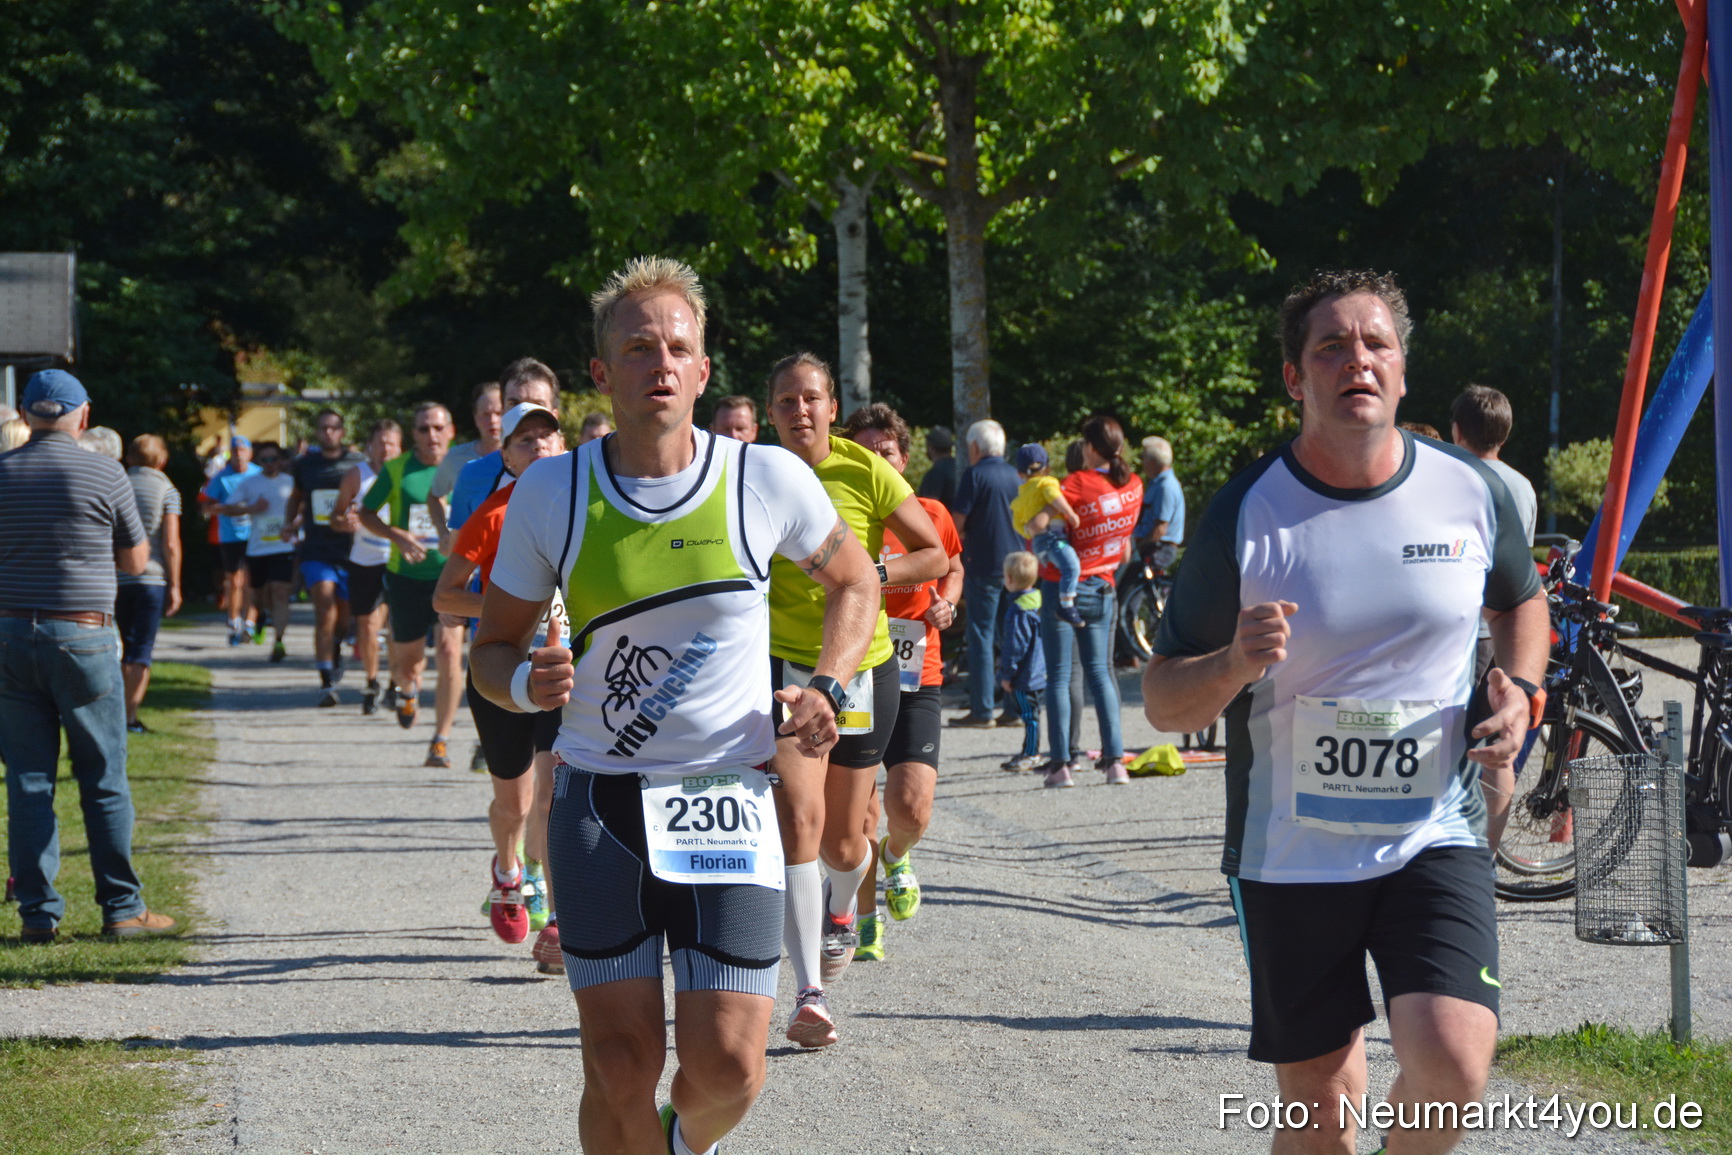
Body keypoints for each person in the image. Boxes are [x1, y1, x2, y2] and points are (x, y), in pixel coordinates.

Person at [472, 256, 878, 1155]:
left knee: (731, 1065)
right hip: (599, 805)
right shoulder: (553, 491)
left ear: (702, 370)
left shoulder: (763, 479)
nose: (660, 361)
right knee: (616, 1062)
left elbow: (857, 582)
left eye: (679, 346)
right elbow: (490, 650)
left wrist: (828, 685)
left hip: (727, 800)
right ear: (601, 372)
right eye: (638, 346)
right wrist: (518, 685)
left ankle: (677, 1142)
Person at [1144, 270, 1549, 1154]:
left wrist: (1521, 689)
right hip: (1292, 850)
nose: (1354, 361)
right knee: (1323, 1106)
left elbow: (1522, 599)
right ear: (1296, 378)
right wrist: (1234, 660)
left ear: (1403, 372)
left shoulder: (1466, 490)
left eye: (1375, 345)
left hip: (1434, 829)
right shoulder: (1247, 514)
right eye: (1330, 346)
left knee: (1453, 1060)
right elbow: (1164, 700)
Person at [765, 353, 944, 1045]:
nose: (799, 410)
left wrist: (873, 570)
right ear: (772, 409)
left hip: (863, 671)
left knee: (845, 841)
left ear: (832, 407)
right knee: (798, 823)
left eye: (811, 398)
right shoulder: (753, 473)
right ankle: (808, 990)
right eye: (786, 400)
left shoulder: (865, 468)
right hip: (785, 665)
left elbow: (932, 552)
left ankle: (843, 909)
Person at [0, 369, 175, 940]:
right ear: (83, 414)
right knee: (102, 775)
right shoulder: (106, 471)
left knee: (28, 780)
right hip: (83, 634)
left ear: (25, 414)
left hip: (8, 636)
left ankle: (37, 915)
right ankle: (123, 910)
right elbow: (133, 563)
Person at [434, 402, 567, 960]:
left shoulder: (582, 504)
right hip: (503, 670)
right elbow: (444, 596)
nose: (538, 447)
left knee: (559, 797)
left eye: (546, 438)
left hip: (564, 671)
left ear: (561, 448)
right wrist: (508, 606)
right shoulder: (491, 514)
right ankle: (507, 870)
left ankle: (561, 918)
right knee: (514, 802)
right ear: (505, 454)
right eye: (525, 441)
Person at [842, 402, 963, 962]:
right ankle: (866, 920)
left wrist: (948, 607)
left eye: (885, 451)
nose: (876, 460)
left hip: (918, 672)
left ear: (904, 458)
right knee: (858, 807)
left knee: (912, 807)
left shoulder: (930, 513)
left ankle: (897, 854)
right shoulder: (837, 515)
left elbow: (952, 566)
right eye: (865, 450)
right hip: (858, 674)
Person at [1037, 415, 1141, 787]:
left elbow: (1038, 524)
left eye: (1083, 442)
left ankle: (1061, 764)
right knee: (1101, 673)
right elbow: (1126, 549)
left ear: (1091, 447)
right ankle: (1115, 762)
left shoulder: (1076, 483)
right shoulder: (1134, 484)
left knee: (1060, 675)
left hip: (1061, 588)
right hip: (1104, 586)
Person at [359, 401, 461, 767]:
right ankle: (407, 691)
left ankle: (441, 740)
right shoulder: (397, 469)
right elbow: (365, 512)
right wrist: (396, 535)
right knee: (408, 664)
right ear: (413, 433)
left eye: (438, 427)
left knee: (450, 652)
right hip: (406, 578)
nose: (431, 435)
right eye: (422, 428)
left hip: (452, 577)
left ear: (450, 430)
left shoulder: (468, 468)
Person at [1450, 384, 1539, 696]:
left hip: (1453, 624)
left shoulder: (1447, 479)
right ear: (1505, 434)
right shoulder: (1523, 487)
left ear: (1457, 431)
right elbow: (1521, 567)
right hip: (1501, 628)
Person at [288, 409, 365, 705]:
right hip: (317, 549)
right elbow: (296, 497)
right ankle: (325, 683)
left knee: (343, 616)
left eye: (334, 428)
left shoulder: (356, 464)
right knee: (324, 605)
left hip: (351, 550)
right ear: (317, 432)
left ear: (342, 432)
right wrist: (289, 522)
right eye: (323, 428)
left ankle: (335, 647)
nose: (329, 433)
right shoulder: (305, 464)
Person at [950, 418, 1021, 728]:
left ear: (975, 447)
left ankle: (982, 710)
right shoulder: (1017, 475)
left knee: (981, 636)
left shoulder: (974, 474)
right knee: (1014, 638)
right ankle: (1016, 709)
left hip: (984, 565)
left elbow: (957, 524)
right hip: (1017, 566)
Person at [330, 419, 402, 715]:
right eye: (381, 442)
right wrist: (343, 522)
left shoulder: (407, 476)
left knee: (399, 626)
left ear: (400, 447)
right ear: (370, 446)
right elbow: (335, 516)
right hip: (365, 560)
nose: (386, 448)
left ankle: (395, 683)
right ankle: (372, 682)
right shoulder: (355, 476)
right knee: (368, 625)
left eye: (392, 443)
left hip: (399, 560)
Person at [446, 360, 562, 534]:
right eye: (514, 404)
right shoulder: (472, 475)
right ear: (502, 413)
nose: (525, 413)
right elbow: (458, 554)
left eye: (537, 404)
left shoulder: (583, 474)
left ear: (555, 415)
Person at [116, 434, 182, 733]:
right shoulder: (167, 489)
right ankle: (130, 717)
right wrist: (175, 584)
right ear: (162, 460)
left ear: (128, 458)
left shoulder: (115, 482)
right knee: (141, 650)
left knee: (117, 647)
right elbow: (170, 542)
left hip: (115, 576)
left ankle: (113, 713)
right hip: (151, 576)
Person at [220, 441, 296, 663]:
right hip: (258, 548)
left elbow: (302, 509)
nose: (270, 463)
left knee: (280, 592)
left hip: (283, 545)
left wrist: (293, 525)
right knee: (260, 595)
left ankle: (279, 641)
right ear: (258, 462)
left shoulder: (290, 483)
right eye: (265, 459)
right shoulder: (250, 483)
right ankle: (261, 616)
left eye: (274, 459)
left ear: (281, 461)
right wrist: (251, 508)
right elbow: (227, 508)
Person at [1010, 443, 1084, 624]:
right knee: (1071, 567)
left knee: (1059, 570)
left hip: (1039, 544)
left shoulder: (1018, 500)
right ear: (1047, 468)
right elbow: (1055, 497)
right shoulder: (1047, 483)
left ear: (1020, 474)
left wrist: (1029, 530)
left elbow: (1020, 527)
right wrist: (1070, 513)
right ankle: (1067, 606)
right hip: (1054, 538)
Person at [428, 381, 504, 547]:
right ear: (476, 418)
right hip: (469, 555)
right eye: (485, 414)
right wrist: (443, 532)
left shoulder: (524, 455)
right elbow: (434, 496)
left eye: (499, 413)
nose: (492, 420)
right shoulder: (456, 457)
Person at [201, 435, 259, 646]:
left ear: (250, 453)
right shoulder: (221, 477)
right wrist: (227, 509)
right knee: (234, 581)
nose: (239, 455)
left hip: (255, 535)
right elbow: (207, 507)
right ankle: (234, 621)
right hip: (230, 536)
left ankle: (250, 624)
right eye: (235, 451)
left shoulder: (258, 474)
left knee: (252, 582)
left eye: (243, 451)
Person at [996, 551, 1047, 774]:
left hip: (1026, 675)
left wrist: (1006, 674)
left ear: (1009, 578)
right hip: (1040, 669)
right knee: (1031, 714)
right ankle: (1029, 749)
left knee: (1029, 715)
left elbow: (1015, 645)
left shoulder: (1018, 610)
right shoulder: (1039, 601)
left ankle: (1032, 753)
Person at [1134, 435, 1185, 571]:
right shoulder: (1158, 484)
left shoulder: (1166, 486)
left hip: (1158, 549)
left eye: (1144, 457)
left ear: (1153, 460)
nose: (1142, 462)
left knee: (1133, 584)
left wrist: (1138, 548)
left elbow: (1160, 528)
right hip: (1155, 547)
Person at [917, 424, 958, 508]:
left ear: (930, 447)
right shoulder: (961, 469)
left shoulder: (934, 474)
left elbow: (928, 508)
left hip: (943, 520)